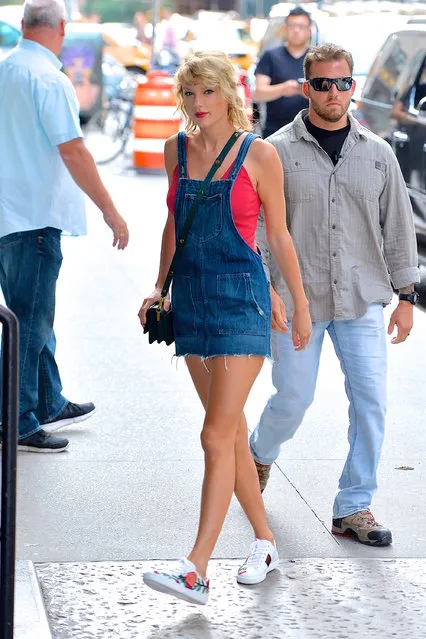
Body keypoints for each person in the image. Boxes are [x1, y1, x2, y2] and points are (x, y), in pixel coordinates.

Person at [138, 50, 311, 605]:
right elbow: (174, 224)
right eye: (189, 94)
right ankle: (264, 541)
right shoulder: (175, 149)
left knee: (214, 434)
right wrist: (159, 286)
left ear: (230, 95)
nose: (198, 104)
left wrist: (298, 303)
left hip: (242, 304)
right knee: (231, 433)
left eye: (208, 92)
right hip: (191, 300)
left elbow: (278, 236)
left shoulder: (258, 155)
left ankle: (196, 568)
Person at [250, 43, 420, 547]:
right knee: (293, 398)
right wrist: (270, 291)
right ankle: (259, 453)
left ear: (353, 86)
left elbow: (398, 228)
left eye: (341, 82)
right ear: (306, 88)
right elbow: (258, 228)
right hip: (297, 300)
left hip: (362, 297)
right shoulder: (276, 151)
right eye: (321, 83)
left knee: (370, 402)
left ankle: (353, 506)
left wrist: (406, 296)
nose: (332, 92)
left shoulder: (379, 154)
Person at [0, 0, 129, 453]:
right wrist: (111, 211)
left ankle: (48, 400)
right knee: (31, 321)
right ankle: (16, 419)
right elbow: (74, 150)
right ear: (62, 29)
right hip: (35, 215)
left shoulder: (5, 69)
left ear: (21, 26)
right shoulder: (48, 79)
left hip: (8, 213)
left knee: (31, 312)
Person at [253, 6, 311, 138]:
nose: (296, 30)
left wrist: (309, 92)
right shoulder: (270, 56)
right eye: (292, 26)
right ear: (284, 29)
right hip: (275, 132)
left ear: (309, 31)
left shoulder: (316, 58)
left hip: (310, 132)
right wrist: (284, 89)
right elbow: (258, 93)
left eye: (301, 26)